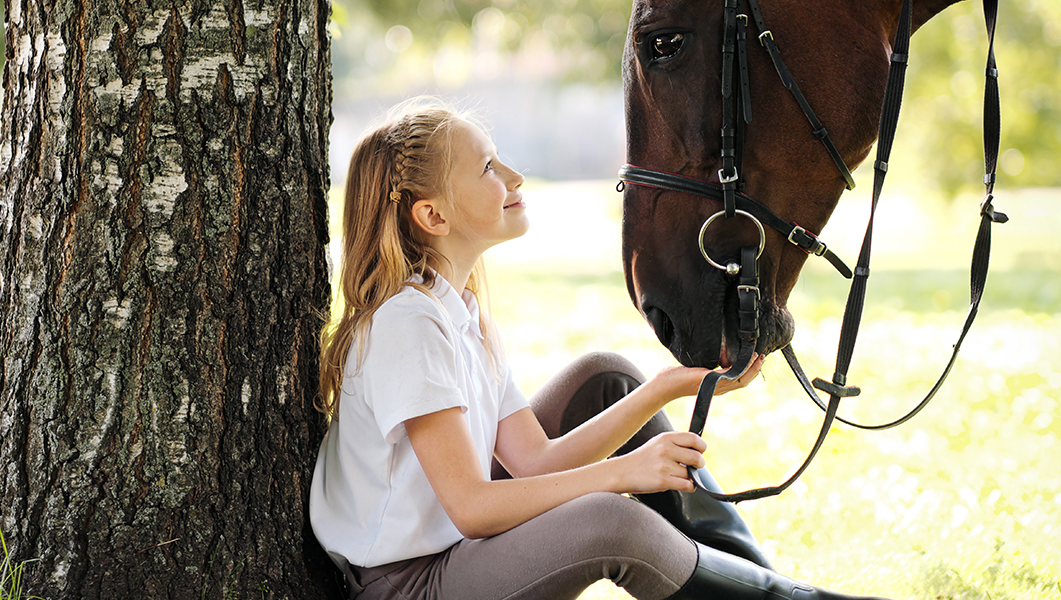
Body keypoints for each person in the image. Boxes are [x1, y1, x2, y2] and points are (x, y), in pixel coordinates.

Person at [309, 98, 888, 600]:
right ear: (433, 215)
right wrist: (624, 473)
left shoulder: (459, 311)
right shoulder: (407, 326)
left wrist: (668, 384)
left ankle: (754, 579)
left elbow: (532, 461)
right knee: (613, 522)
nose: (514, 175)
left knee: (605, 376)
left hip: (455, 554)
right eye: (488, 166)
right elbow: (474, 508)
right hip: (411, 585)